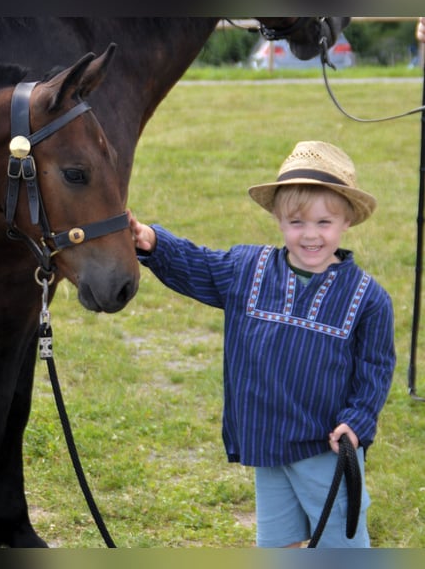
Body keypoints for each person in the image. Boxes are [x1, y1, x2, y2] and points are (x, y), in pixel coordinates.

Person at [129, 140, 396, 548]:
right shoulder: (246, 269)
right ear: (277, 218)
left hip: (325, 449)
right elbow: (198, 264)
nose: (310, 235)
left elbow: (375, 371)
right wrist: (153, 242)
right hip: (266, 442)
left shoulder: (369, 298)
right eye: (296, 222)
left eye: (324, 223)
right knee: (278, 544)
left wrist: (357, 422)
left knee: (341, 547)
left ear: (347, 222)